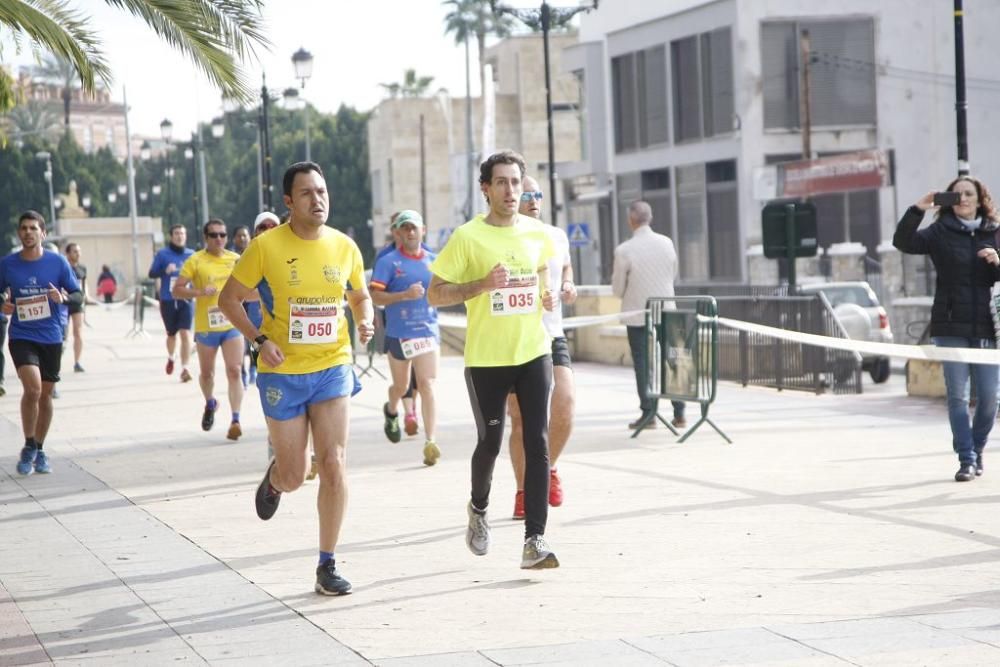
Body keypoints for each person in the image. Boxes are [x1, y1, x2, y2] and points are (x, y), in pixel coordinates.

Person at [219, 161, 374, 595]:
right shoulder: (266, 247)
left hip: (331, 366)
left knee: (333, 463)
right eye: (306, 193)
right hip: (282, 372)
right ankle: (275, 479)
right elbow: (228, 299)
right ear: (289, 201)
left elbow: (360, 295)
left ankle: (327, 563)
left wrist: (365, 320)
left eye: (322, 191)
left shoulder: (344, 246)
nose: (317, 199)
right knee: (295, 473)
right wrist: (257, 338)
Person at [428, 150, 559, 570]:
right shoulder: (468, 237)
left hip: (533, 351)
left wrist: (546, 295)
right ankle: (479, 509)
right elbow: (435, 293)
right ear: (485, 189)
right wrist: (481, 284)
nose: (509, 190)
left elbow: (539, 275)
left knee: (537, 442)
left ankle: (534, 540)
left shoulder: (538, 233)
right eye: (501, 182)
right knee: (491, 442)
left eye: (516, 182)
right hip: (486, 359)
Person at [893, 177, 1000, 482]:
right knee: (958, 397)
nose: (963, 199)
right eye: (956, 195)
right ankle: (966, 459)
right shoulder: (941, 231)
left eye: (969, 194)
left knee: (991, 397)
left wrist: (997, 260)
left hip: (986, 326)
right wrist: (918, 208)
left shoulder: (994, 232)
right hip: (950, 324)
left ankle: (977, 448)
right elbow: (903, 242)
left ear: (980, 199)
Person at [507, 176, 577, 519]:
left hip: (552, 334)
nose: (534, 200)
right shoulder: (504, 237)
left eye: (538, 195)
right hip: (516, 338)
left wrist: (567, 282)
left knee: (565, 406)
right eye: (527, 194)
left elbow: (564, 263)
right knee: (520, 421)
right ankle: (523, 491)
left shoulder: (556, 235)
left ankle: (548, 468)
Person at [0, 211, 82, 475]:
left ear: (43, 234)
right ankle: (27, 444)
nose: (28, 232)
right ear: (18, 233)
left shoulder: (58, 263)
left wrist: (63, 299)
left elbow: (78, 295)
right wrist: (3, 304)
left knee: (45, 394)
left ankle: (39, 447)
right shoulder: (8, 264)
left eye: (33, 228)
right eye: (23, 228)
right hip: (22, 336)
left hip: (51, 336)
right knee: (33, 389)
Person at [370, 209, 441, 466]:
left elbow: (444, 292)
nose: (410, 232)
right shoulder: (388, 262)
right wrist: (403, 296)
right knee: (401, 387)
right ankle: (391, 410)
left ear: (423, 230)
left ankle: (430, 441)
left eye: (414, 227)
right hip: (399, 333)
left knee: (428, 384)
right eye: (405, 228)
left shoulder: (434, 261)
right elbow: (375, 296)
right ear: (398, 232)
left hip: (427, 332)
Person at [612, 201, 685, 431]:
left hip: (637, 313)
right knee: (673, 359)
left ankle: (649, 413)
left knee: (643, 363)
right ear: (650, 218)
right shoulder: (667, 243)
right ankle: (680, 412)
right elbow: (673, 273)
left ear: (630, 220)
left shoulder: (624, 250)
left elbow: (617, 289)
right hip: (666, 309)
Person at [172, 218, 244, 440]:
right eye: (214, 235)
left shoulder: (236, 259)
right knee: (207, 373)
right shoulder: (196, 261)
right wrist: (200, 292)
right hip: (207, 325)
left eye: (223, 235)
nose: (219, 239)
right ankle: (210, 402)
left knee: (235, 370)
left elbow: (251, 285)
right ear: (205, 238)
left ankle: (235, 419)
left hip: (233, 324)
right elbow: (177, 290)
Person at [149, 224, 195, 382]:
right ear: (171, 236)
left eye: (182, 233)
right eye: (176, 233)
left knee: (185, 333)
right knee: (171, 334)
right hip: (168, 299)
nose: (180, 236)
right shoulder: (162, 254)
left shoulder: (192, 255)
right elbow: (151, 273)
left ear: (186, 236)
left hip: (186, 299)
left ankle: (185, 368)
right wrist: (164, 271)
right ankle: (171, 357)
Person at [64, 243, 88, 373]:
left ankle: (77, 362)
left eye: (79, 251)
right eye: (74, 251)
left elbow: (84, 284)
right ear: (68, 254)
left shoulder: (82, 268)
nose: (77, 254)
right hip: (64, 303)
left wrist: (86, 295)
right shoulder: (63, 268)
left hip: (77, 303)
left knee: (78, 332)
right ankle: (57, 360)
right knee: (63, 334)